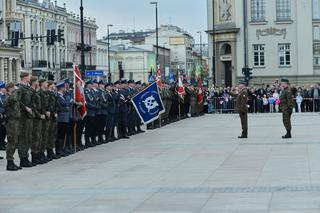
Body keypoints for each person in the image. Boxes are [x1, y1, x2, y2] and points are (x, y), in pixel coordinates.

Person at [4, 82, 22, 171]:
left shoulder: (13, 96)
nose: (16, 89)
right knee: (11, 142)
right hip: (11, 122)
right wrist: (15, 92)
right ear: (10, 88)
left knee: (15, 142)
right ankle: (9, 163)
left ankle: (11, 162)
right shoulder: (7, 97)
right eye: (14, 87)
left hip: (16, 121)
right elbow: (13, 99)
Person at [18, 72, 34, 168]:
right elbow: (18, 101)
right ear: (25, 77)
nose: (29, 78)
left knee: (28, 137)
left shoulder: (27, 88)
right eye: (28, 76)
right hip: (23, 116)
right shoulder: (20, 88)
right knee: (23, 138)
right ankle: (22, 159)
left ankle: (26, 158)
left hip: (28, 116)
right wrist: (25, 108)